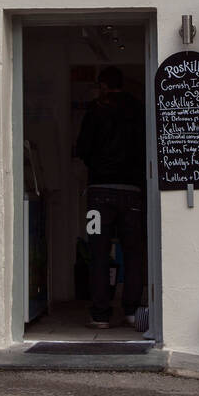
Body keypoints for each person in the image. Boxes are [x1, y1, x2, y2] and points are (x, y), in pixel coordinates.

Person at [75, 65, 146, 329]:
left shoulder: (95, 110)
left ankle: (101, 313)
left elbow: (82, 148)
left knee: (98, 252)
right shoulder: (138, 109)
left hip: (100, 193)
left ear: (103, 85)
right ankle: (131, 310)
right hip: (133, 193)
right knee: (134, 252)